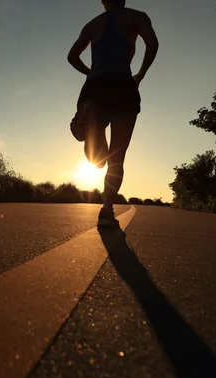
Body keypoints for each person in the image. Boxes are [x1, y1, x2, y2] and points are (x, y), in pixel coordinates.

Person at [68, 0, 158, 228]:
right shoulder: (136, 16)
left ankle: (92, 131)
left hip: (95, 87)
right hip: (123, 84)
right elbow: (153, 44)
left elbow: (72, 56)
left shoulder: (92, 24)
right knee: (117, 156)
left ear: (103, 1)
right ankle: (107, 210)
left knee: (97, 161)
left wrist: (91, 73)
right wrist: (141, 74)